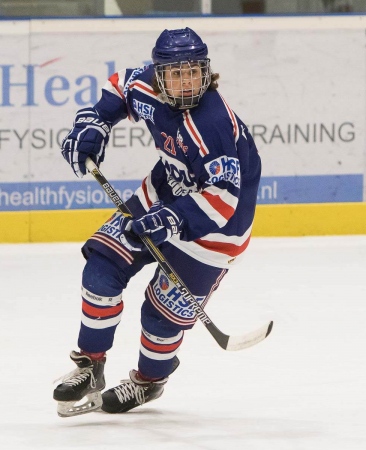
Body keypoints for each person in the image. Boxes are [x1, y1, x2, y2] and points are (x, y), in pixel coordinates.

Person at [53, 27, 261, 417]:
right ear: (160, 73)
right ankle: (90, 364)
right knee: (102, 267)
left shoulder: (212, 124)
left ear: (206, 72)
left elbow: (223, 200)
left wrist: (171, 220)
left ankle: (149, 382)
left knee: (161, 315)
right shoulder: (146, 84)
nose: (187, 82)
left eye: (195, 73)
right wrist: (94, 123)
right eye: (177, 73)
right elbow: (118, 88)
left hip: (217, 229)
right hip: (165, 190)